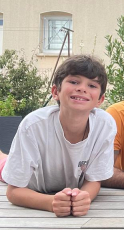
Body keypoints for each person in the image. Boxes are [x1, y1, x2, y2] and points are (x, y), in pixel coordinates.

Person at [1, 55, 116, 217]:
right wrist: (50, 202)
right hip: (31, 184)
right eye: (74, 82)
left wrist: (83, 198)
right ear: (55, 92)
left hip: (64, 187)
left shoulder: (105, 125)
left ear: (100, 100)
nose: (82, 88)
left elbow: (94, 180)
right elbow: (13, 192)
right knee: (3, 164)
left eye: (92, 85)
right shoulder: (33, 125)